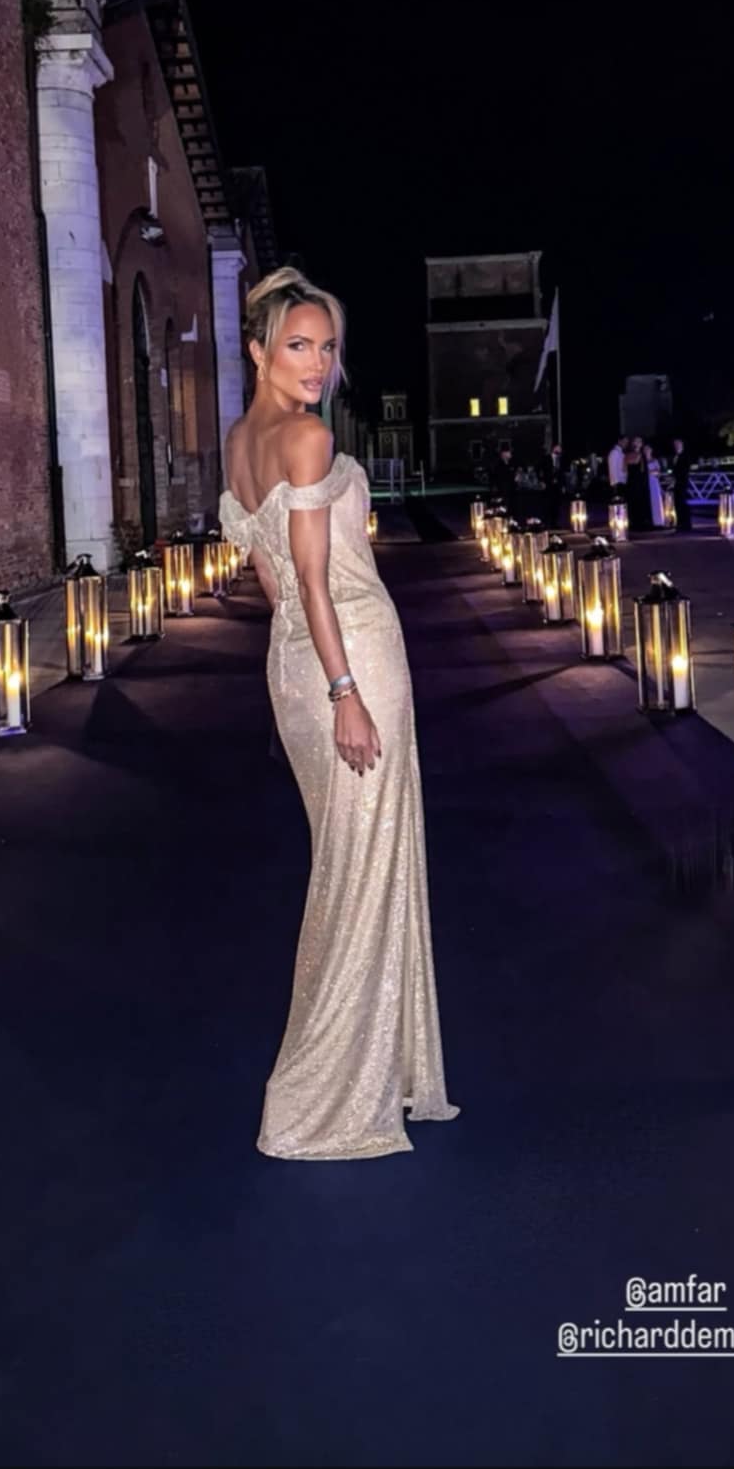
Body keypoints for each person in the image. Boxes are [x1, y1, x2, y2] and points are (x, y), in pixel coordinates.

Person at [218, 266, 459, 1161]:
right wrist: (345, 693)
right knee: (361, 871)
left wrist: (306, 677)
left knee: (346, 862)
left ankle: (376, 1067)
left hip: (294, 666)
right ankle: (318, 1097)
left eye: (325, 346)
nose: (317, 363)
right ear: (259, 350)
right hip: (350, 665)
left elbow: (274, 581)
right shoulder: (308, 437)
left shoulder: (241, 441)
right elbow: (315, 581)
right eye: (298, 345)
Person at [625, 435, 652, 531]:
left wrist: (647, 454)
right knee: (635, 501)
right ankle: (635, 522)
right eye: (636, 441)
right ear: (633, 443)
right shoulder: (629, 454)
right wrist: (640, 454)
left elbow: (648, 465)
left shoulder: (643, 455)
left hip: (643, 481)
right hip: (634, 481)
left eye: (640, 441)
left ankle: (644, 521)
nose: (639, 443)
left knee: (643, 500)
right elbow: (631, 463)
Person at [671, 437, 693, 532]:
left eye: (678, 444)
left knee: (682, 502)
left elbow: (685, 470)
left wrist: (676, 476)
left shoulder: (685, 456)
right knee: (677, 502)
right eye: (675, 445)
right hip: (677, 482)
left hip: (682, 482)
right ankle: (680, 523)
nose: (676, 446)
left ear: (682, 445)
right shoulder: (675, 456)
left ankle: (685, 524)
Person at [644, 443, 665, 528]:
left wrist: (651, 472)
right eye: (645, 449)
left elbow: (658, 472)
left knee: (656, 500)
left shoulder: (654, 460)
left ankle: (658, 521)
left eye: (648, 449)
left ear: (651, 450)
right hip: (646, 482)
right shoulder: (642, 461)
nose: (646, 451)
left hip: (654, 482)